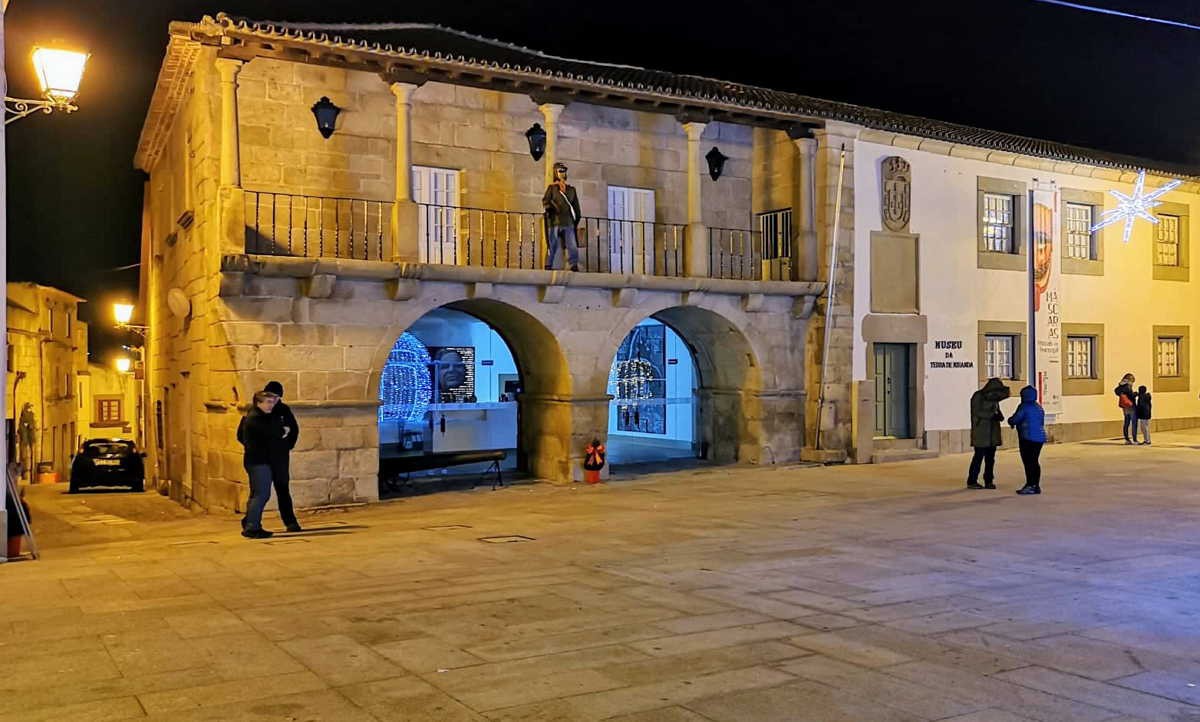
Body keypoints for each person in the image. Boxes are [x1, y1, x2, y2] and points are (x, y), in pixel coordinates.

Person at [236, 391, 284, 539]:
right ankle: (252, 527)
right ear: (259, 403)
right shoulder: (257, 419)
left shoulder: (252, 417)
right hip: (259, 461)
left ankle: (250, 521)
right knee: (262, 494)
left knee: (256, 494)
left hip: (256, 459)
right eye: (268, 402)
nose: (271, 405)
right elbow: (274, 433)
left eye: (273, 402)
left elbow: (240, 436)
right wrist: (283, 430)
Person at [264, 381, 302, 532]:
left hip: (279, 457)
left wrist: (286, 445)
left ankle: (290, 522)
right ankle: (251, 522)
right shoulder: (259, 409)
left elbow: (293, 429)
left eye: (276, 397)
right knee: (260, 492)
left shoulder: (283, 410)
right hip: (261, 457)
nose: (273, 399)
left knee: (282, 489)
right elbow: (244, 433)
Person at [967, 378, 1011, 489]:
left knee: (990, 459)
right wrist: (991, 415)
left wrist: (999, 416)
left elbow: (996, 410)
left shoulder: (994, 398)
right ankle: (972, 481)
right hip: (981, 433)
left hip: (992, 433)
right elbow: (977, 412)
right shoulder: (978, 396)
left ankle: (988, 481)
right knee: (978, 457)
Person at [541, 162, 581, 272]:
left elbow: (576, 208)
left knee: (572, 246)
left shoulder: (571, 190)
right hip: (554, 221)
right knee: (552, 244)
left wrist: (575, 222)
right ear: (556, 173)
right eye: (560, 171)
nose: (562, 173)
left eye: (564, 171)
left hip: (568, 221)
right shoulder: (552, 188)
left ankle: (573, 264)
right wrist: (550, 208)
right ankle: (548, 264)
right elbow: (545, 201)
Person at [1008, 386, 1047, 495]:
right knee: (1034, 462)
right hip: (1039, 438)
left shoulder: (1024, 406)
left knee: (1028, 462)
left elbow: (1016, 418)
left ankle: (1030, 485)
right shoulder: (1038, 407)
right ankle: (1035, 485)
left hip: (1027, 438)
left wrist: (1010, 421)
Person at [1114, 373, 1138, 444]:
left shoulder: (1121, 385)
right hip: (1130, 406)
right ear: (1130, 379)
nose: (1132, 383)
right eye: (1132, 381)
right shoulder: (1128, 386)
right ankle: (1135, 439)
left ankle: (1127, 439)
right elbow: (1131, 395)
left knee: (1126, 423)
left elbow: (1116, 391)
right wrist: (1136, 393)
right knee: (1134, 423)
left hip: (1125, 407)